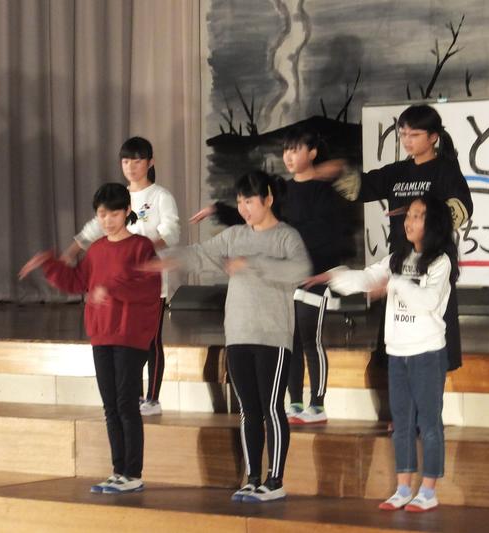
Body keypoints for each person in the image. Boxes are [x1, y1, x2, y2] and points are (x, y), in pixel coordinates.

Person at [151, 171, 311, 503]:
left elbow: (299, 271)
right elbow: (198, 253)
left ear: (268, 199)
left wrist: (252, 263)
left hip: (272, 336)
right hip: (238, 334)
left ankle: (275, 480)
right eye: (239, 202)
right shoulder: (234, 236)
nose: (243, 208)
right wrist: (161, 260)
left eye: (249, 201)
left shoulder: (287, 237)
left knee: (271, 407)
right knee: (248, 410)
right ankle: (252, 478)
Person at [308, 193, 458, 512]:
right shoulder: (397, 257)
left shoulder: (440, 262)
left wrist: (394, 285)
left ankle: (428, 490)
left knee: (429, 422)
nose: (409, 221)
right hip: (397, 352)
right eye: (409, 215)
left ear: (433, 222)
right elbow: (367, 277)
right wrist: (333, 276)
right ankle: (403, 487)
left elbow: (428, 301)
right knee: (400, 421)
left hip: (427, 352)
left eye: (417, 215)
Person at [190, 125, 349, 425]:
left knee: (310, 339)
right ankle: (295, 401)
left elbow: (330, 233)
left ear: (312, 153)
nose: (288, 156)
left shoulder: (324, 193)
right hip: (286, 276)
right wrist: (219, 210)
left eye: (295, 150)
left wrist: (318, 267)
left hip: (314, 275)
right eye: (286, 150)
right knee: (291, 338)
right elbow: (260, 216)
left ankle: (317, 404)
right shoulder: (282, 190)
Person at [20, 183, 162, 495]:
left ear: (127, 212)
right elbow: (77, 281)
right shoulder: (96, 250)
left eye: (114, 213)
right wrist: (48, 264)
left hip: (130, 334)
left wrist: (112, 289)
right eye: (102, 214)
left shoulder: (141, 247)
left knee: (126, 403)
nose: (108, 220)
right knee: (110, 405)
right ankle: (118, 470)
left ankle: (133, 473)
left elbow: (148, 287)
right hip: (101, 333)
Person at [317, 104, 472, 374]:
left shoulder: (445, 170)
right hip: (400, 258)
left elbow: (461, 210)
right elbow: (360, 188)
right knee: (397, 332)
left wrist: (420, 214)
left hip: (431, 260)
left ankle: (428, 388)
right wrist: (336, 173)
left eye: (414, 135)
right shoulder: (398, 171)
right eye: (403, 134)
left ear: (433, 137)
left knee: (429, 328)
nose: (407, 141)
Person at [62, 137, 180, 417]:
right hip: (118, 284)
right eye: (126, 161)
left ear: (150, 162)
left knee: (151, 340)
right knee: (127, 341)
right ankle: (133, 395)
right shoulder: (119, 197)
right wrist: (69, 253)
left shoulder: (160, 196)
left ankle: (152, 398)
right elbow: (94, 228)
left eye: (137, 161)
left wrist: (142, 252)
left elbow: (171, 232)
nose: (131, 167)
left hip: (149, 283)